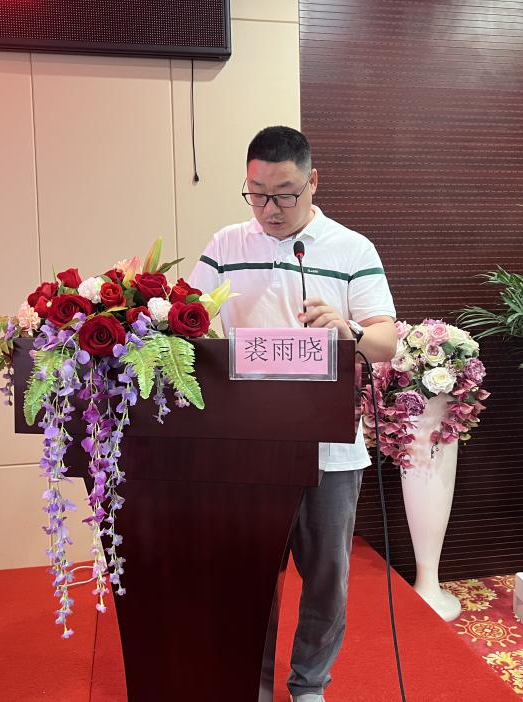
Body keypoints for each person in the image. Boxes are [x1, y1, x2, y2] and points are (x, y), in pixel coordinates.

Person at [188, 126, 397, 701]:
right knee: (251, 577)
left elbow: (387, 341)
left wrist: (348, 328)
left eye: (284, 194)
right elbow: (185, 323)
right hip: (247, 443)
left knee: (326, 578)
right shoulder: (226, 244)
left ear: (313, 182)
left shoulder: (351, 248)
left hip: (329, 447)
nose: (269, 210)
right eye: (256, 194)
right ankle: (250, 684)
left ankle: (309, 684)